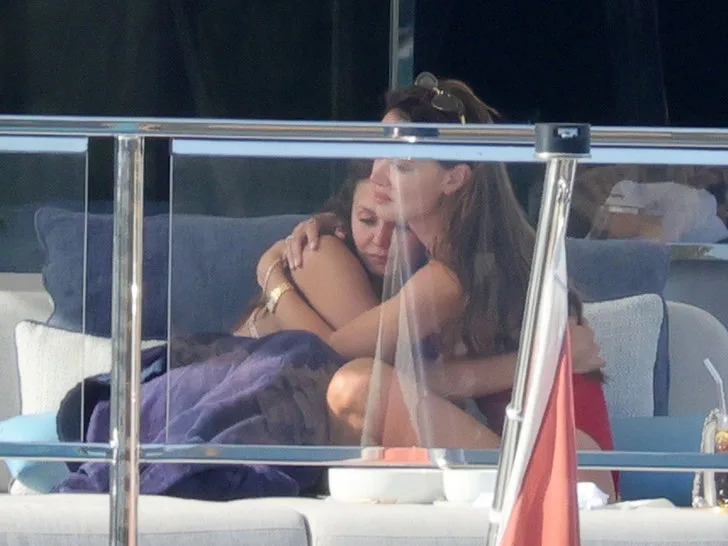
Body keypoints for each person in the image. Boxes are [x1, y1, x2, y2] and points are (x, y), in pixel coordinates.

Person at [255, 73, 616, 499]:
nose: (377, 175)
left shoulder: (453, 274)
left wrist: (271, 276)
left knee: (356, 385)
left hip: (570, 472)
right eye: (379, 152)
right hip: (532, 459)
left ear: (453, 179)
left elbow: (335, 351)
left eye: (401, 165)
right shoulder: (461, 250)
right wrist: (328, 221)